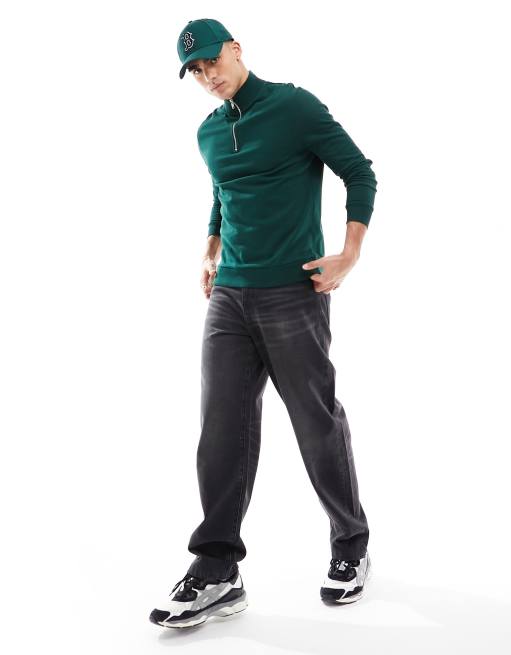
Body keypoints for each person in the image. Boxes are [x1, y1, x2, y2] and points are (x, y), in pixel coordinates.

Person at [149, 18, 378, 629]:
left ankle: (351, 544)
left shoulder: (293, 107)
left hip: (292, 293)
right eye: (196, 71)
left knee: (315, 422)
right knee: (220, 428)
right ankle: (217, 569)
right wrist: (210, 247)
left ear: (236, 49)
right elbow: (223, 192)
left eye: (213, 61)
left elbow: (359, 171)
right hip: (229, 296)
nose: (208, 76)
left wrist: (349, 254)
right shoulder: (208, 132)